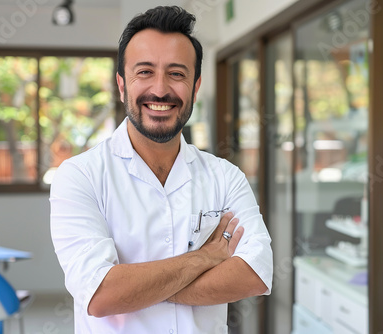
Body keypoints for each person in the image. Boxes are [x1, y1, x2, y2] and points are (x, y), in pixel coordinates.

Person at [50, 5, 273, 334]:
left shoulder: (226, 177)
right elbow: (100, 294)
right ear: (122, 85)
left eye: (177, 73)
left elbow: (255, 274)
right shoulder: (80, 176)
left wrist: (136, 290)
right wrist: (204, 258)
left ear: (195, 87)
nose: (160, 89)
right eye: (144, 72)